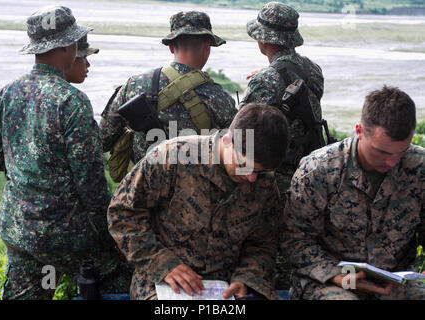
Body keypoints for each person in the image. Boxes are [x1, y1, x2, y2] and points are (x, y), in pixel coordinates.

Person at [0, 6, 131, 299]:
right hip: (65, 234)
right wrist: (111, 236)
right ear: (66, 47)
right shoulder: (71, 100)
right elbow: (91, 185)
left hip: (18, 228)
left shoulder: (4, 93)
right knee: (121, 279)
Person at [107, 103, 290, 300]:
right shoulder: (173, 157)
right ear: (227, 141)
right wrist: (160, 262)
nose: (252, 178)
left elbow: (263, 241)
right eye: (244, 165)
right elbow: (122, 214)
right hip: (164, 280)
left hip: (227, 284)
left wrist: (247, 278)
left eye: (259, 172)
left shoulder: (264, 182)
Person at [280, 86, 425, 300]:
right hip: (329, 280)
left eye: (400, 152)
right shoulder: (319, 169)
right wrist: (338, 276)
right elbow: (293, 239)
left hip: (392, 281)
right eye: (382, 152)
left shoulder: (419, 168)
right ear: (358, 131)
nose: (392, 161)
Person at [238, 1, 325, 290]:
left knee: (266, 250)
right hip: (309, 173)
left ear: (263, 39)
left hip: (272, 178)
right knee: (299, 243)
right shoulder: (314, 70)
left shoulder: (264, 80)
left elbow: (243, 132)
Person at [99, 11, 237, 181]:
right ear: (207, 46)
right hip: (195, 198)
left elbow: (103, 140)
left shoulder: (134, 85)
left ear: (171, 47)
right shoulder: (220, 98)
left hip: (141, 192)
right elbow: (236, 154)